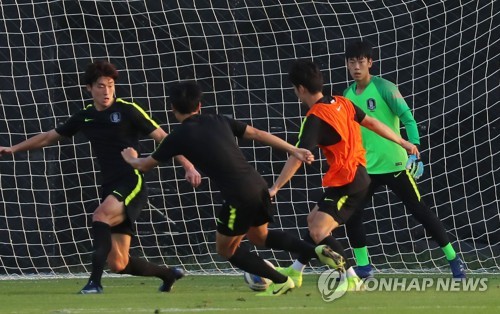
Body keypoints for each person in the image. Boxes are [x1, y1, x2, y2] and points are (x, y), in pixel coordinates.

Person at [121, 81, 346, 297]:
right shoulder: (218, 119)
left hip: (239, 198)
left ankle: (281, 280)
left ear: (172, 108)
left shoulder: (177, 136)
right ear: (200, 105)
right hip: (258, 186)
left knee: (225, 250)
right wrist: (293, 150)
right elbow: (258, 134)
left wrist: (131, 159)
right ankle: (315, 251)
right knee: (260, 237)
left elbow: (145, 165)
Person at [0, 60, 202, 294]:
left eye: (110, 85)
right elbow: (48, 137)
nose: (106, 91)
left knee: (100, 215)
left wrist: (188, 166)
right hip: (109, 185)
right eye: (100, 86)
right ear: (89, 88)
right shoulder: (85, 116)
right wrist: (13, 149)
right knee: (119, 263)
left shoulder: (128, 109)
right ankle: (169, 274)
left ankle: (94, 283)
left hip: (131, 181)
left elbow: (164, 138)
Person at [268, 59, 419, 290]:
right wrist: (401, 140)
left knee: (319, 230)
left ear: (300, 89)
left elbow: (297, 156)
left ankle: (350, 277)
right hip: (351, 176)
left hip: (350, 179)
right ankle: (296, 270)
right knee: (313, 221)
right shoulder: (341, 102)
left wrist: (275, 187)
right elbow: (373, 123)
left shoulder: (315, 118)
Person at [342, 40, 466, 279]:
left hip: (396, 165)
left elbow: (408, 119)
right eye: (351, 62)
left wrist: (414, 150)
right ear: (347, 65)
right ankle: (364, 267)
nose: (356, 66)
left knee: (419, 212)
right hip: (367, 167)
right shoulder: (347, 95)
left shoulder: (385, 88)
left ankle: (454, 259)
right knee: (352, 213)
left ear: (370, 62)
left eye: (360, 61)